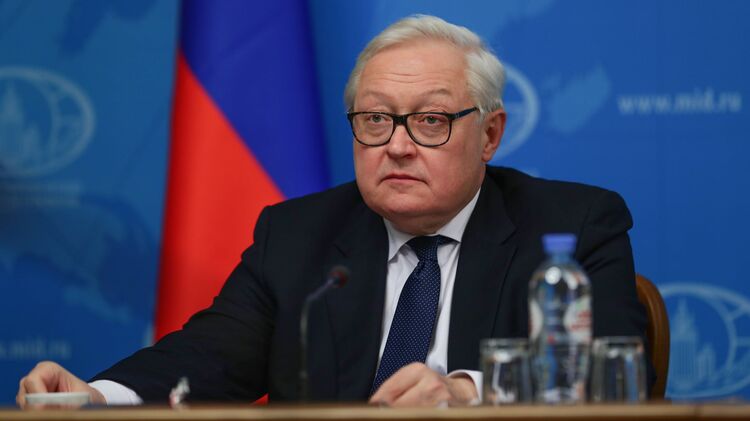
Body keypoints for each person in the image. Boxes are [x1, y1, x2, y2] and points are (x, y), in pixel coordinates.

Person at [17, 15, 650, 407]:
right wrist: (95, 395)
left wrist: (467, 392)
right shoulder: (297, 236)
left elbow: (615, 373)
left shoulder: (571, 225)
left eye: (430, 121)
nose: (397, 145)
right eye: (375, 119)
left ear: (489, 135)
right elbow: (210, 357)